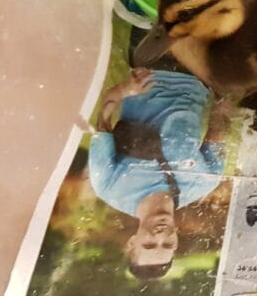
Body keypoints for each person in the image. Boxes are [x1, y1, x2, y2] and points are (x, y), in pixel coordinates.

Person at [89, 68, 232, 280]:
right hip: (200, 70)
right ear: (177, 243)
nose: (161, 235)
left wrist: (123, 91)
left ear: (132, 243)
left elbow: (103, 117)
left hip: (152, 61)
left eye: (149, 244)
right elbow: (220, 123)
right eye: (168, 244)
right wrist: (224, 87)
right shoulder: (204, 183)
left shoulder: (108, 187)